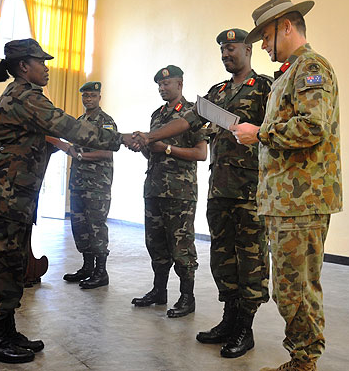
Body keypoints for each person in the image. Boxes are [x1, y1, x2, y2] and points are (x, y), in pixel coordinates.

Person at [0, 38, 137, 364]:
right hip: (0, 197)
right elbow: (72, 128)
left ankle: (7, 332)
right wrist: (123, 139)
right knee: (1, 270)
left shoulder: (18, 97)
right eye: (41, 63)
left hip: (8, 195)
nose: (46, 68)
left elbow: (44, 136)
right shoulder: (26, 97)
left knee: (12, 266)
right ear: (23, 67)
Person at [231, 0, 342, 371]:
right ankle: (300, 359)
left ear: (287, 27)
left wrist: (258, 133)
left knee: (297, 289)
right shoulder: (289, 74)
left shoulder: (311, 68)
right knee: (289, 289)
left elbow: (313, 126)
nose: (262, 45)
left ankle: (304, 362)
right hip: (286, 202)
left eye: (265, 36)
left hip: (303, 201)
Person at [190, 28, 271, 359]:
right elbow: (192, 120)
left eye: (232, 47)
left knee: (250, 260)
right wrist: (151, 138)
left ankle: (245, 328)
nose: (226, 53)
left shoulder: (265, 87)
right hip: (219, 190)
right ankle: (228, 319)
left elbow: (276, 129)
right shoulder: (218, 91)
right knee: (223, 257)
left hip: (250, 192)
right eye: (222, 48)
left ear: (248, 50)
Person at [131, 65, 207, 318]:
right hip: (153, 188)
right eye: (160, 85)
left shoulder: (192, 113)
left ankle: (187, 297)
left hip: (180, 192)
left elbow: (201, 153)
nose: (163, 88)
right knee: (156, 244)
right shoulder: (157, 114)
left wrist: (166, 149)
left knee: (181, 247)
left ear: (180, 84)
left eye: (167, 84)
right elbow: (152, 149)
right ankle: (159, 291)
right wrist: (143, 146)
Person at [62, 81, 116, 289]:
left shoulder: (106, 122)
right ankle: (87, 267)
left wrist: (81, 155)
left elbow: (108, 151)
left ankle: (101, 272)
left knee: (96, 226)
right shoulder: (80, 120)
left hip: (97, 184)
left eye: (92, 96)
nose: (88, 99)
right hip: (78, 182)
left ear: (99, 97)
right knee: (79, 225)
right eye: (85, 96)